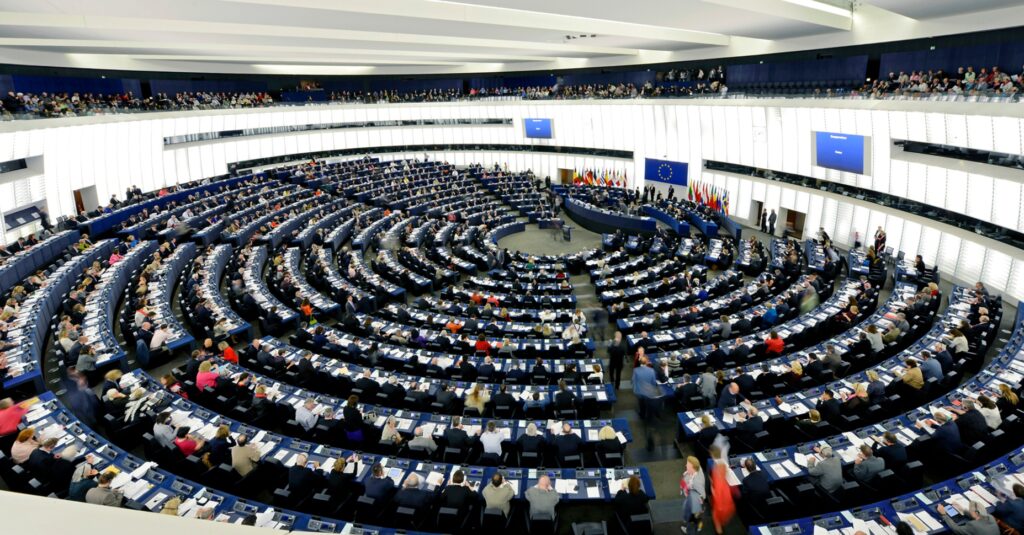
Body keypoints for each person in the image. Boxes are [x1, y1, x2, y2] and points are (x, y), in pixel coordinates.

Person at [680, 455, 706, 530]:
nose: (685, 465)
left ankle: (690, 529)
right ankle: (699, 526)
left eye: (687, 465)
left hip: (695, 502)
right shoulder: (698, 468)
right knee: (697, 517)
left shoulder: (696, 483)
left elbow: (703, 495)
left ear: (693, 467)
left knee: (692, 517)